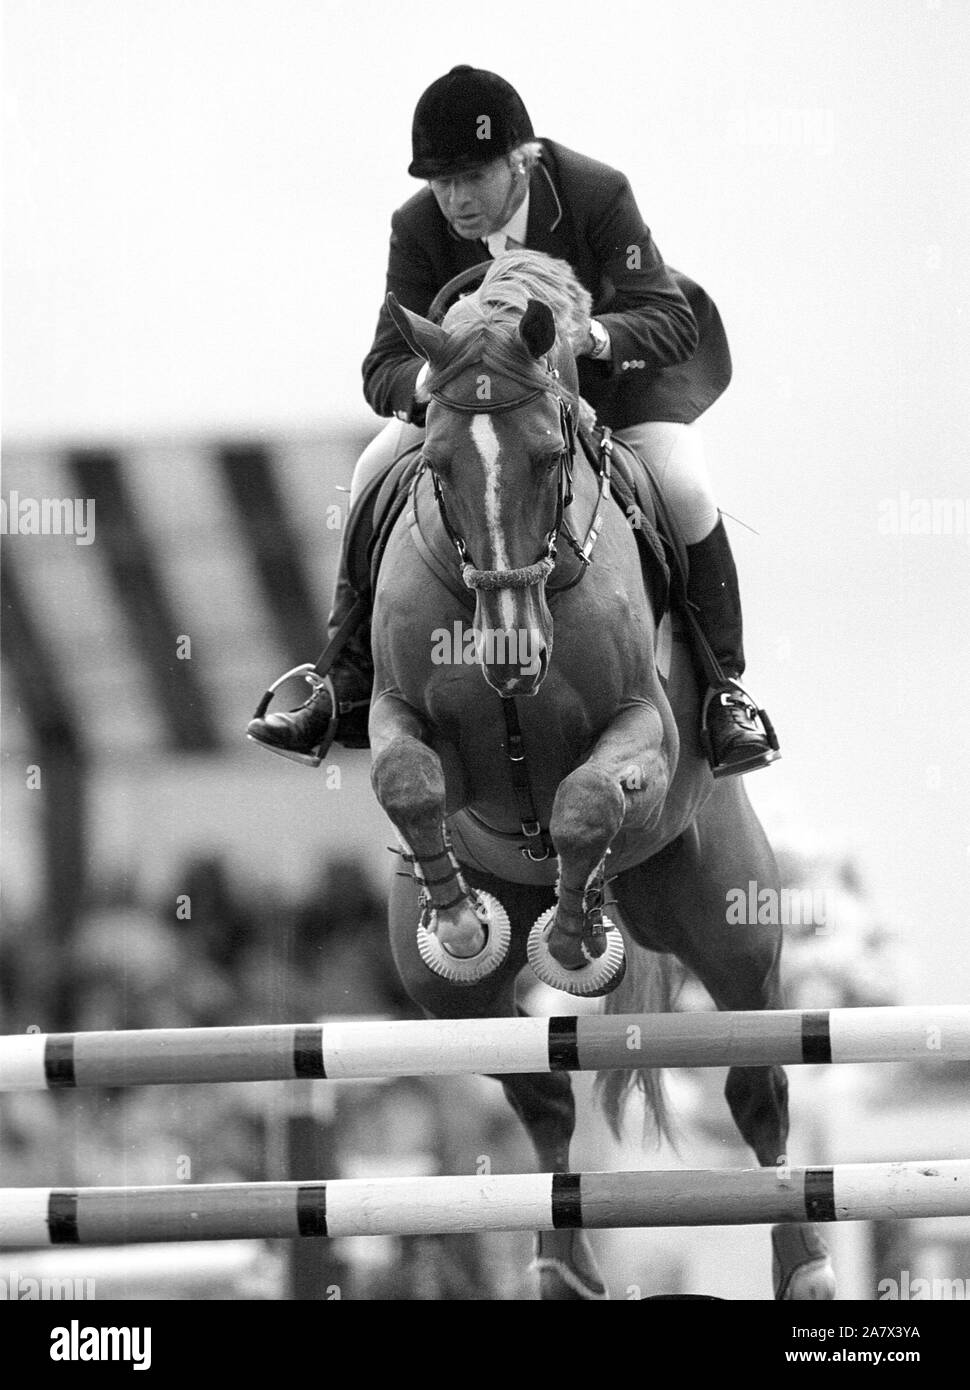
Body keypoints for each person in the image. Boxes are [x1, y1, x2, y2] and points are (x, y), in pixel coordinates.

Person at [247, 64, 777, 778]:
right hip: (479, 409)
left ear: (520, 161)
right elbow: (381, 368)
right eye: (441, 182)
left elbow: (670, 318)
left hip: (617, 391)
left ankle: (724, 689)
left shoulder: (595, 192)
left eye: (471, 178)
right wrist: (438, 378)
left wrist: (589, 337)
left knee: (681, 482)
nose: (455, 200)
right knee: (371, 466)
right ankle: (340, 679)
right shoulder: (418, 226)